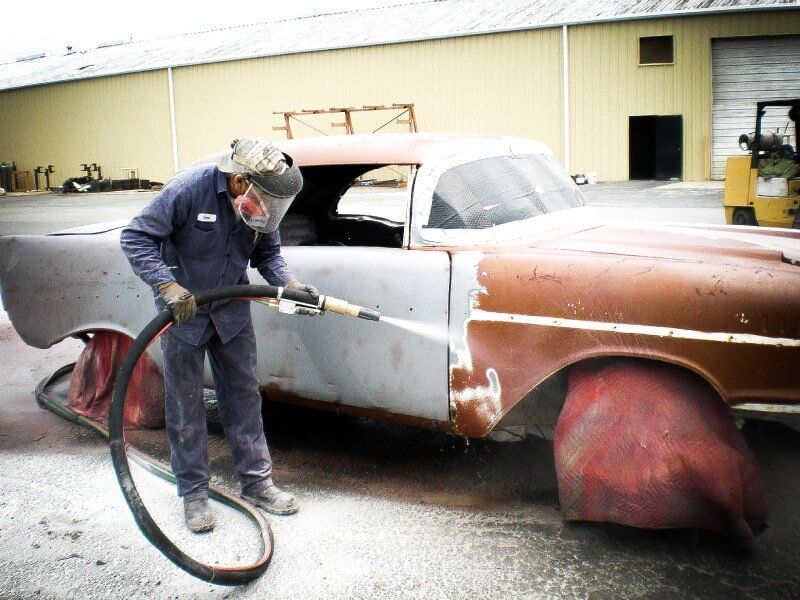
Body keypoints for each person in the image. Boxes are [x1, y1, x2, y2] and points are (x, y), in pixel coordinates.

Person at [120, 138, 317, 532]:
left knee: (243, 397)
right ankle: (194, 493)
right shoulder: (187, 190)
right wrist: (167, 287)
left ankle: (258, 483)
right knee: (185, 405)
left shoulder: (260, 209)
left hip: (232, 314)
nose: (271, 209)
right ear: (240, 181)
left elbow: (267, 255)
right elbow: (136, 237)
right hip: (183, 315)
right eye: (267, 198)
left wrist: (289, 283)